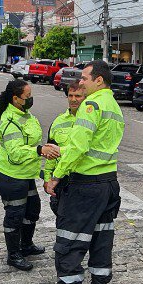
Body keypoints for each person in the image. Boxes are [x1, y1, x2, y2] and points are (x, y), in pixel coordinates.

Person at [43, 61, 124, 284]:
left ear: (99, 80)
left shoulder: (92, 105)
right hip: (108, 183)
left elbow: (78, 146)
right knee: (102, 239)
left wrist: (56, 176)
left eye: (85, 78)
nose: (81, 82)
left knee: (69, 243)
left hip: (85, 186)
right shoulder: (114, 106)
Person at [0, 79, 46, 271]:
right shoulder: (9, 121)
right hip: (9, 176)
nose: (30, 100)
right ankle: (13, 255)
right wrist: (39, 151)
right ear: (15, 98)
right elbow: (15, 153)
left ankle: (26, 245)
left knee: (32, 210)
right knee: (15, 215)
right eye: (27, 97)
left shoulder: (25, 114)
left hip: (25, 175)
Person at [43, 83, 85, 215]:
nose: (73, 99)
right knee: (62, 220)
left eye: (78, 96)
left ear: (85, 97)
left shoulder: (91, 119)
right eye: (70, 95)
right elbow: (51, 154)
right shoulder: (58, 122)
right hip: (62, 181)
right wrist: (47, 178)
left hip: (84, 180)